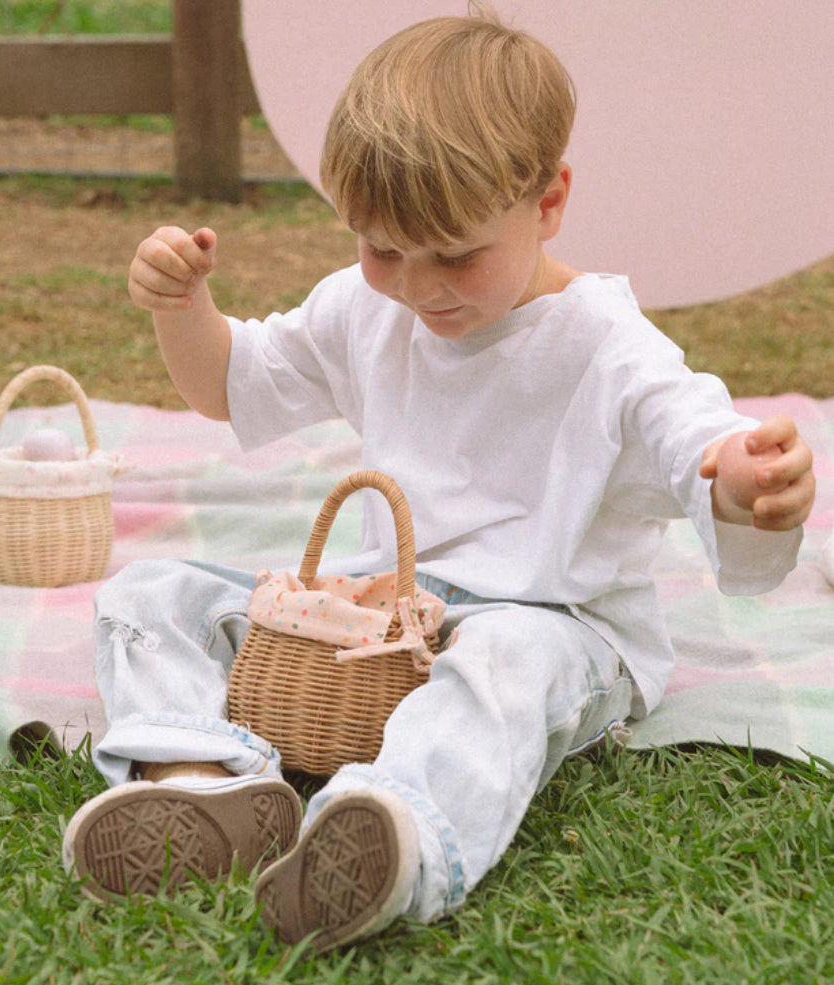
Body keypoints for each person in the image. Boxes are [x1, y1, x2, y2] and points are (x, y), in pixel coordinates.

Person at [62, 11, 815, 952]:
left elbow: (693, 441)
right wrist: (184, 307)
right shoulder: (363, 307)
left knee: (499, 668)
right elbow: (230, 383)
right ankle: (197, 781)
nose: (419, 288)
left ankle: (395, 832)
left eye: (454, 254)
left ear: (547, 203)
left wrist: (746, 478)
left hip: (556, 620)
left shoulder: (606, 346)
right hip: (390, 615)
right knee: (152, 590)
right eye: (382, 250)